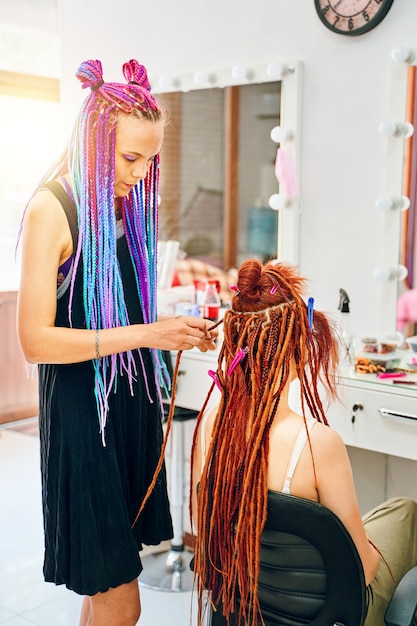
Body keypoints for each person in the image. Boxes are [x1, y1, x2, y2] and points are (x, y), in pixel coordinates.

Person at [17, 58, 217, 626]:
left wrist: (169, 326)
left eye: (151, 158)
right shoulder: (52, 210)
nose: (140, 171)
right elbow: (35, 340)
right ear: (93, 141)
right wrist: (150, 332)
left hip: (127, 413)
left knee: (104, 585)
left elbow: (117, 306)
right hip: (85, 418)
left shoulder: (124, 210)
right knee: (121, 601)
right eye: (130, 157)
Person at [190, 258, 417, 626]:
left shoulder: (210, 428)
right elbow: (365, 567)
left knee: (390, 513)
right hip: (329, 615)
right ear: (298, 350)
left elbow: (207, 536)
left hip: (242, 611)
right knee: (406, 513)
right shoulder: (317, 443)